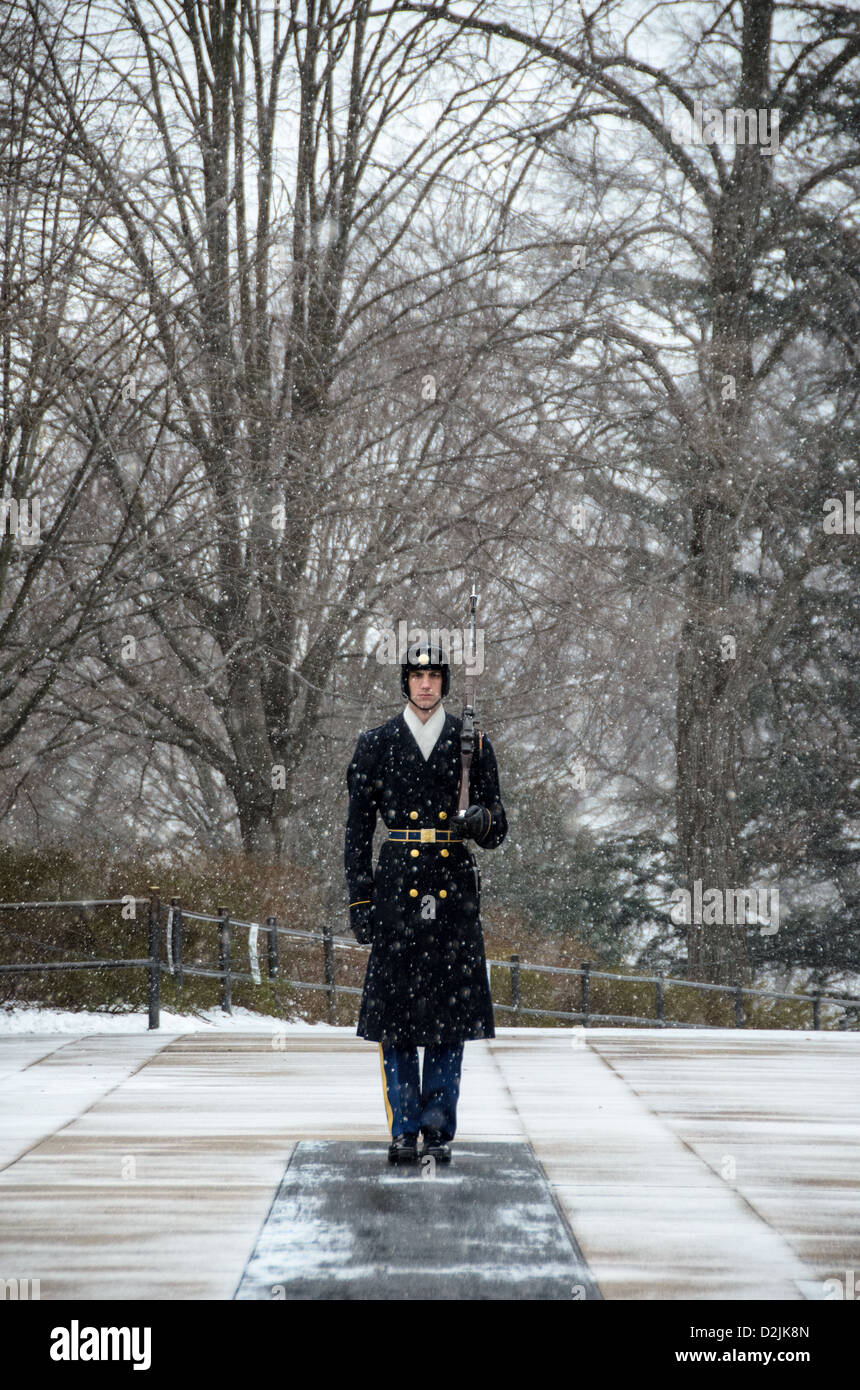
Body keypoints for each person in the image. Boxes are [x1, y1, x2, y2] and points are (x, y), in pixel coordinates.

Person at [344, 639, 508, 1165]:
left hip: (451, 886)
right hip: (397, 889)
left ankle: (437, 1127)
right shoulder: (376, 744)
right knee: (395, 1017)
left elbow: (498, 825)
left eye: (434, 674)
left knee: (448, 1014)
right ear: (405, 681)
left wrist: (479, 820)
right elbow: (357, 831)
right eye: (416, 674)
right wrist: (359, 898)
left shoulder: (472, 744)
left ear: (445, 682)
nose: (426, 683)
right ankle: (404, 1126)